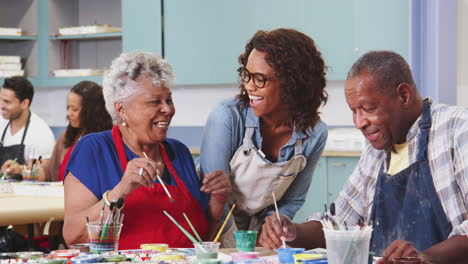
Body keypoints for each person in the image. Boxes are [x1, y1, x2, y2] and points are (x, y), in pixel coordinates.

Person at [259, 51, 468, 264]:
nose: (359, 122)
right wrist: (293, 232)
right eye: (354, 111)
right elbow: (338, 224)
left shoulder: (457, 129)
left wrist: (426, 258)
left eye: (368, 109)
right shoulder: (376, 152)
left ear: (403, 95)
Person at [63, 51, 231, 249]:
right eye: (155, 102)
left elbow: (202, 241)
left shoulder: (179, 153)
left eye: (168, 100)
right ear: (121, 109)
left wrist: (218, 203)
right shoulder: (94, 150)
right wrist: (120, 191)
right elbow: (73, 236)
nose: (167, 110)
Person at [199, 28, 328, 244]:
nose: (249, 86)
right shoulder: (227, 117)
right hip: (213, 226)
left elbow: (291, 200)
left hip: (257, 234)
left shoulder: (314, 134)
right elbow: (211, 196)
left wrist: (270, 230)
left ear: (292, 82)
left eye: (259, 79)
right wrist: (239, 245)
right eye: (247, 75)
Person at [39, 81, 112, 182]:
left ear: (91, 111)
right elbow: (49, 172)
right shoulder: (67, 136)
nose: (68, 113)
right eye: (68, 107)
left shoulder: (106, 141)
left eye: (74, 109)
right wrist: (26, 171)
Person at [0, 76, 55, 175]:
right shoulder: (2, 122)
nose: (1, 106)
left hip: (26, 190)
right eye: (1, 100)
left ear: (25, 103)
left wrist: (21, 170)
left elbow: (42, 174)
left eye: (7, 102)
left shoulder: (41, 135)